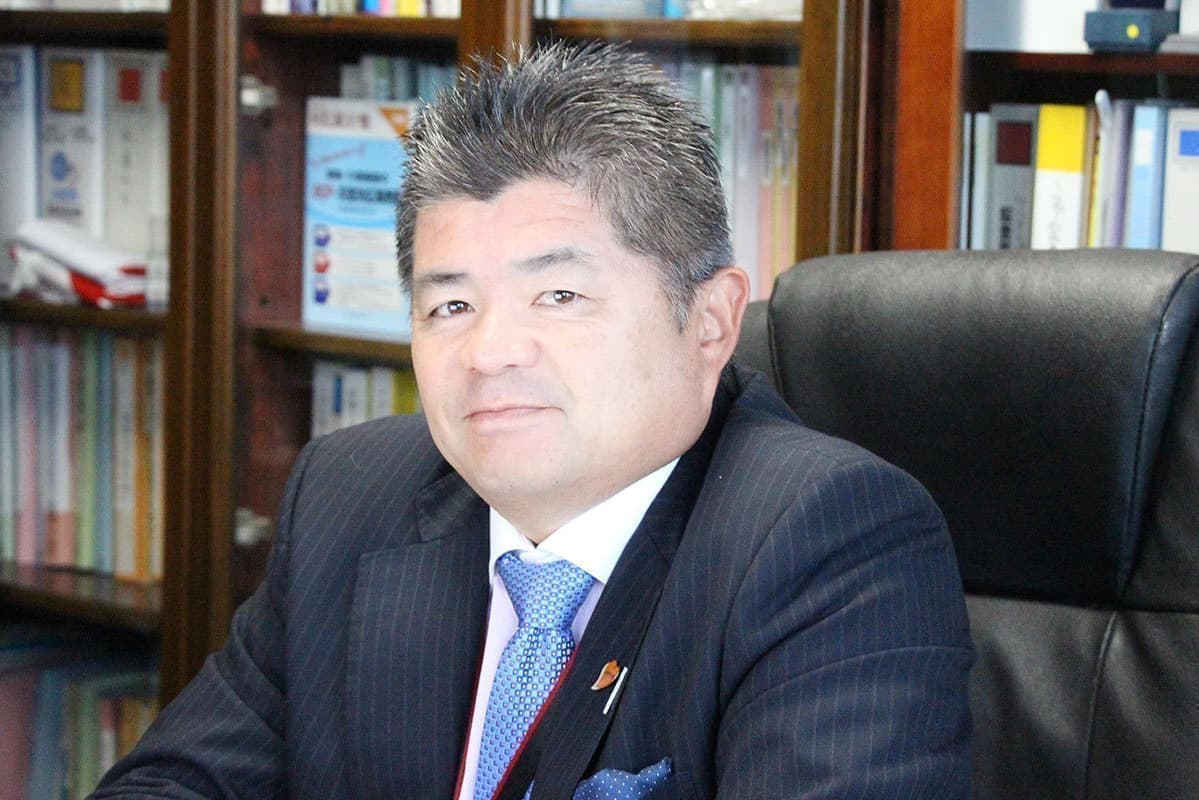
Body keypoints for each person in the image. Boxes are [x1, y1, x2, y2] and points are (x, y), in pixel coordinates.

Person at [92, 41, 973, 800]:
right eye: (450, 306)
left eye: (558, 295)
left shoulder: (830, 539)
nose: (489, 352)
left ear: (709, 322)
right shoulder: (347, 497)